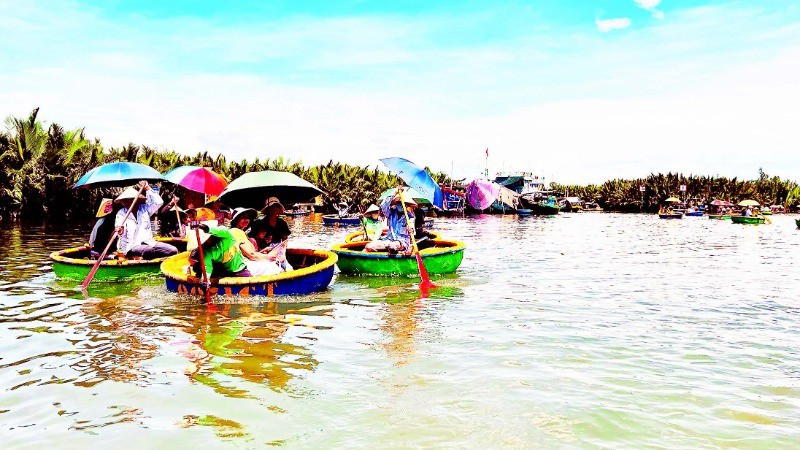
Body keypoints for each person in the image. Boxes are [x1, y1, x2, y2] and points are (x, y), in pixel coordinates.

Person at [115, 181, 179, 260]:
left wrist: (148, 188)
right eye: (125, 201)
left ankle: (151, 261)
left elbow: (159, 202)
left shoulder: (145, 209)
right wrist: (120, 230)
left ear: (137, 200)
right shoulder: (121, 213)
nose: (128, 202)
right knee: (149, 250)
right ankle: (140, 260)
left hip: (149, 242)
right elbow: (119, 227)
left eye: (131, 200)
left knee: (173, 250)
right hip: (132, 246)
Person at [228, 207, 283, 276]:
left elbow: (245, 254)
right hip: (241, 266)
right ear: (236, 220)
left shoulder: (238, 232)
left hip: (241, 263)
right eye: (243, 217)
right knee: (274, 267)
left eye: (248, 218)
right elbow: (252, 255)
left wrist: (262, 252)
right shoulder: (236, 231)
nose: (246, 220)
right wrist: (268, 257)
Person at [365, 189, 415, 254]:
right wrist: (394, 193)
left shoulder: (410, 217)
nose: (401, 205)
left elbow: (412, 230)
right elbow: (383, 206)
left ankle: (398, 251)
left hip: (402, 242)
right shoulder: (391, 213)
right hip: (388, 240)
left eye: (402, 203)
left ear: (406, 205)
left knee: (392, 246)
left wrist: (411, 229)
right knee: (369, 246)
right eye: (398, 203)